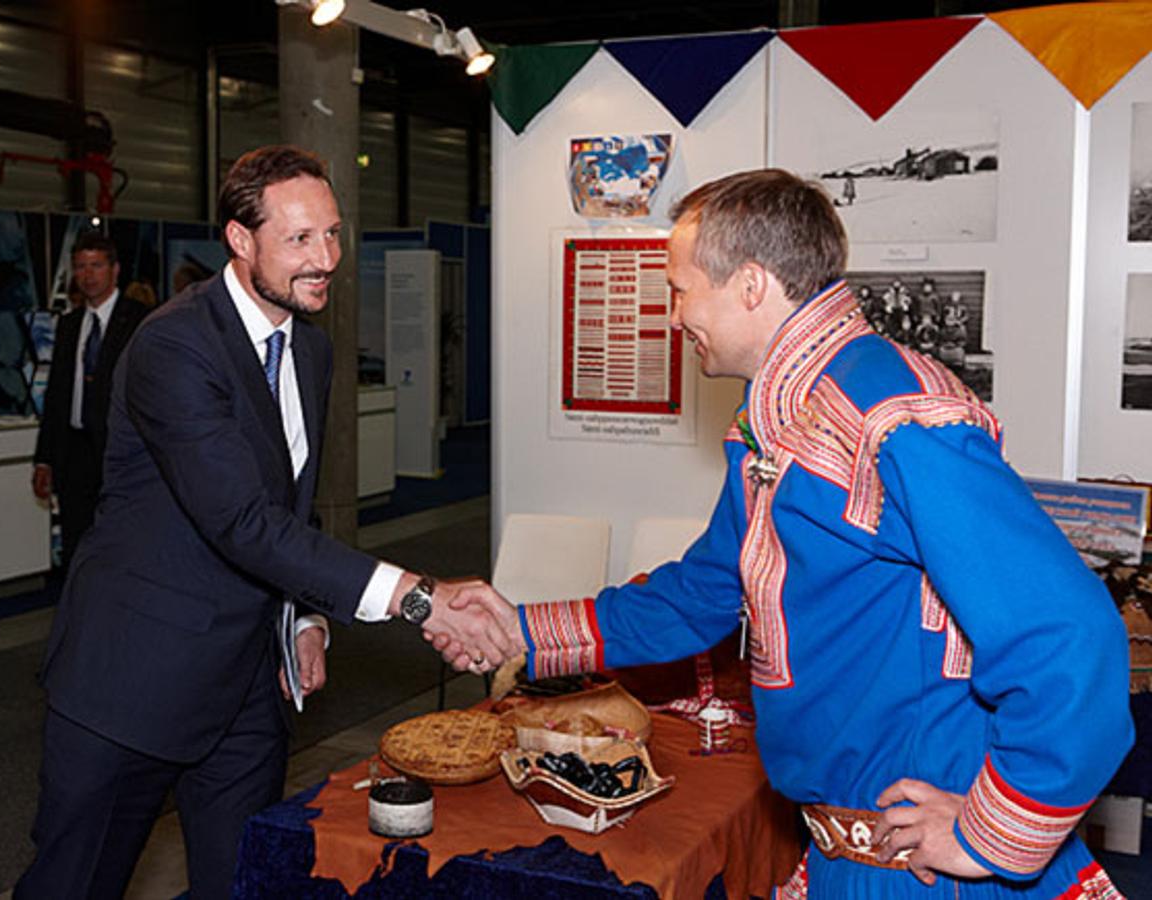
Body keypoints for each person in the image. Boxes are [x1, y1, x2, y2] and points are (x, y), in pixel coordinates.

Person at [453, 170, 1134, 897]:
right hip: (844, 854)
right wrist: (518, 630)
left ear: (750, 285)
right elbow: (699, 597)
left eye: (681, 290)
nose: (675, 315)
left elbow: (1070, 636)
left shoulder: (892, 419)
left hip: (928, 871)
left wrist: (991, 834)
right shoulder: (776, 426)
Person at [15, 145, 519, 900]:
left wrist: (304, 615)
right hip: (134, 680)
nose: (327, 259)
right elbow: (242, 521)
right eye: (300, 239)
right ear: (240, 239)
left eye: (333, 234)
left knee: (244, 882)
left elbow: (287, 506)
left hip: (249, 683)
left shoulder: (309, 350)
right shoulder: (174, 345)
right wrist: (422, 599)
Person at [32, 232, 148, 565]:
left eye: (96, 265)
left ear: (115, 270)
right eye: (81, 266)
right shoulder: (69, 325)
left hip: (121, 453)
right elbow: (56, 395)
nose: (88, 275)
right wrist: (44, 458)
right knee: (77, 544)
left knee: (121, 544)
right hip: (74, 453)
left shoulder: (139, 321)